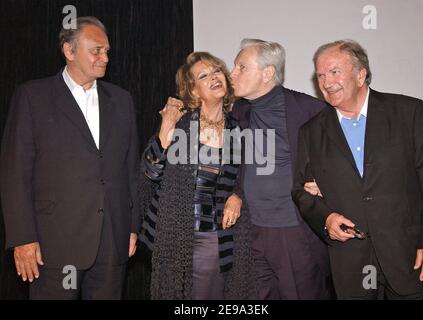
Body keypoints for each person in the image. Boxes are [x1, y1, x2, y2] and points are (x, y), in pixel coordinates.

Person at [0, 16, 140, 299]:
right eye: (96, 50)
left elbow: (130, 169)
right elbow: (15, 172)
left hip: (111, 239)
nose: (105, 57)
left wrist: (132, 226)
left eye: (107, 51)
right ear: (69, 50)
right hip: (53, 244)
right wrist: (23, 238)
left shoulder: (122, 100)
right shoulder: (32, 97)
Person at [292, 39, 423, 299]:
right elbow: (301, 191)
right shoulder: (311, 132)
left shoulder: (408, 112)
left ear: (361, 75)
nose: (326, 82)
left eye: (334, 72)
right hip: (352, 266)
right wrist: (326, 219)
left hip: (413, 260)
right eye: (320, 75)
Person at [138, 52, 257, 300]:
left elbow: (243, 177)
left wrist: (237, 195)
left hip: (212, 236)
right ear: (193, 91)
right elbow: (151, 172)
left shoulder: (237, 129)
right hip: (173, 235)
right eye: (204, 76)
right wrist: (164, 130)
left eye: (216, 72)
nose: (215, 78)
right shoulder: (180, 124)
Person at [225, 38, 331, 299]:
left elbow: (340, 158)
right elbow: (238, 163)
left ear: (268, 73)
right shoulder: (239, 110)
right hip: (250, 231)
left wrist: (326, 183)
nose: (232, 73)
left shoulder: (308, 109)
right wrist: (237, 193)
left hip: (292, 231)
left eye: (241, 67)